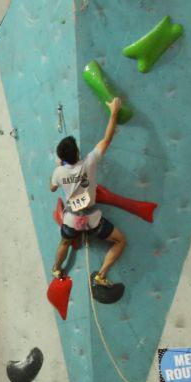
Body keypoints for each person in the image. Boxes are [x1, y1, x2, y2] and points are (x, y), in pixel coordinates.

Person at [51, 96, 128, 288]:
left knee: (64, 243)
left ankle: (56, 269)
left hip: (72, 220)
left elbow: (52, 188)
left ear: (62, 158)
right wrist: (114, 112)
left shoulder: (59, 172)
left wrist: (60, 167)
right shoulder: (89, 162)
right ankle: (101, 275)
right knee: (120, 241)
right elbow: (107, 139)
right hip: (91, 219)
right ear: (77, 152)